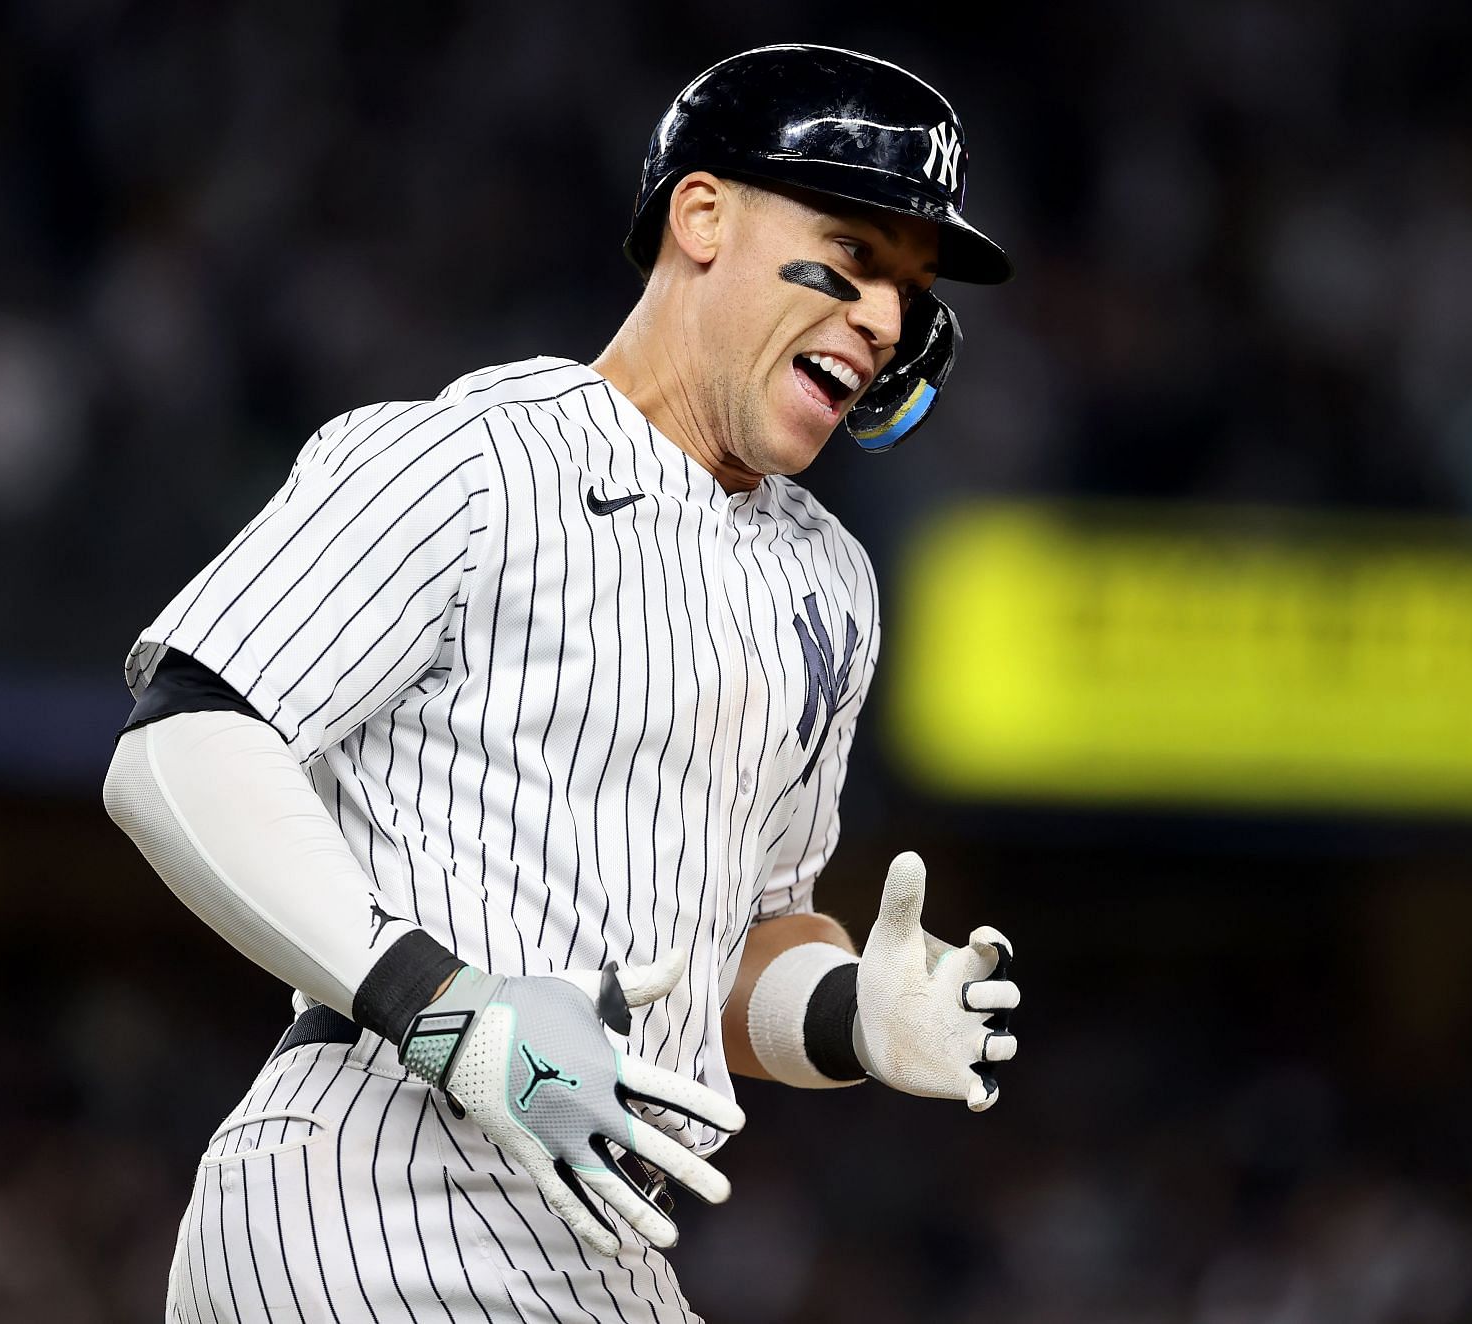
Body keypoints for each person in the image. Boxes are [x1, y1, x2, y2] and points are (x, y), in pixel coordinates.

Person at [104, 43, 1020, 1323]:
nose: (883, 318)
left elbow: (738, 948)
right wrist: (451, 1011)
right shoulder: (471, 461)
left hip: (604, 1237)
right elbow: (181, 744)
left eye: (908, 292)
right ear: (702, 217)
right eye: (855, 254)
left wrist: (854, 1015)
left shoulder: (834, 584)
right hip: (371, 1187)